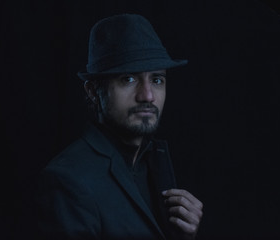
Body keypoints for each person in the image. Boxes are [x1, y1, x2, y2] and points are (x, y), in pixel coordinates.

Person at [37, 13, 203, 240]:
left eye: (157, 80)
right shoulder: (68, 179)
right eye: (128, 79)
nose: (147, 96)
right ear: (94, 92)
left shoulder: (156, 162)